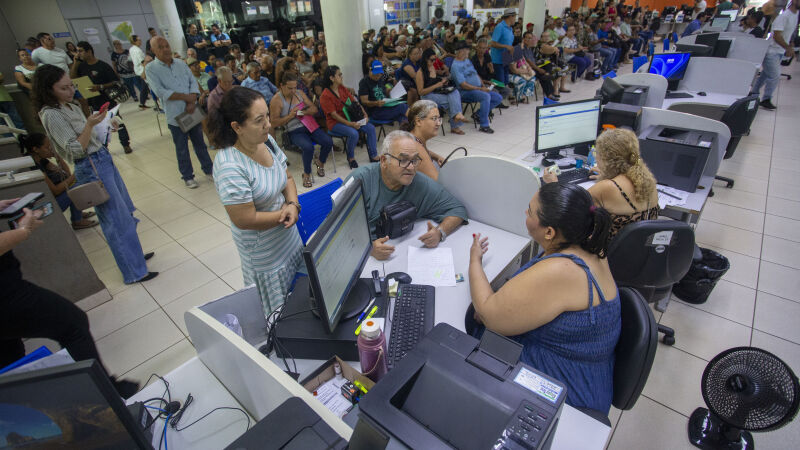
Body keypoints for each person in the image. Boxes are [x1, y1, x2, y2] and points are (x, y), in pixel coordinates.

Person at [467, 182, 620, 414]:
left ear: (549, 232)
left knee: (468, 330)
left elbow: (488, 316)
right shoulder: (590, 246)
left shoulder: (563, 270)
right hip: (585, 367)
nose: (525, 214)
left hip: (568, 388)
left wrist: (475, 260)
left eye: (530, 211)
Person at [0, 198, 140, 398]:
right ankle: (107, 393)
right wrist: (24, 230)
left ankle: (21, 404)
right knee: (73, 324)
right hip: (6, 295)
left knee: (9, 356)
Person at [35, 64, 157, 284]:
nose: (71, 91)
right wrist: (90, 125)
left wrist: (104, 126)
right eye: (64, 88)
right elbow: (74, 149)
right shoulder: (51, 114)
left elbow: (88, 138)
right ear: (48, 89)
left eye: (71, 86)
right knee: (114, 219)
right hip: (90, 165)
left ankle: (135, 256)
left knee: (125, 211)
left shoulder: (69, 106)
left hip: (102, 158)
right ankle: (133, 271)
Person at [207, 87, 303, 316]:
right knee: (278, 317)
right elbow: (244, 218)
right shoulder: (230, 165)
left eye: (267, 117)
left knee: (300, 302)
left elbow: (287, 176)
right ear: (237, 127)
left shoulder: (267, 141)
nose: (268, 125)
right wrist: (285, 215)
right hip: (266, 257)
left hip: (289, 240)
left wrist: (292, 204)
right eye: (259, 120)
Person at [346, 130, 467, 260]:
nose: (411, 167)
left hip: (399, 253)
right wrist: (368, 249)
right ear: (383, 161)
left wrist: (440, 232)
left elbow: (457, 210)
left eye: (415, 160)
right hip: (360, 258)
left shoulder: (419, 183)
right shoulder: (360, 181)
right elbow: (342, 231)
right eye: (403, 160)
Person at [543, 129, 659, 238]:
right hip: (636, 251)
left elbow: (567, 211)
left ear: (606, 159)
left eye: (596, 153)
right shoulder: (648, 180)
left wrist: (553, 185)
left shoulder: (607, 187)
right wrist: (607, 175)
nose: (596, 157)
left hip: (606, 253)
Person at [145, 37, 214, 189]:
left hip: (191, 110)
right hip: (175, 114)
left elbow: (192, 82)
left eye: (167, 46)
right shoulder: (151, 69)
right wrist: (186, 98)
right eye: (161, 47)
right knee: (182, 147)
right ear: (154, 51)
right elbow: (161, 92)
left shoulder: (181, 64)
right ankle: (188, 176)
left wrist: (192, 100)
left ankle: (209, 168)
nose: (166, 49)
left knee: (200, 143)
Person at [19, 133, 98, 229]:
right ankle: (77, 220)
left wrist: (57, 156)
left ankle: (78, 214)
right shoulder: (33, 166)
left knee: (74, 184)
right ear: (36, 149)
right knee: (76, 187)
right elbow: (55, 191)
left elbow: (65, 174)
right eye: (47, 147)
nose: (50, 149)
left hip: (51, 199)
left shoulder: (41, 159)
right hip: (45, 206)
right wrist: (76, 174)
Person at [270, 72, 332, 188]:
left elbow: (314, 108)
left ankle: (320, 162)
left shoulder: (299, 93)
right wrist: (290, 116)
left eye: (295, 87)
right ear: (281, 86)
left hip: (309, 125)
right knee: (308, 147)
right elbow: (273, 123)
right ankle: (306, 174)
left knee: (328, 141)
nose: (293, 91)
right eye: (290, 88)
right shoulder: (276, 100)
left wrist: (304, 112)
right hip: (293, 130)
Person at [72, 41, 134, 154]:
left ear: (89, 51)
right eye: (77, 51)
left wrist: (100, 87)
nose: (78, 54)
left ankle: (125, 144)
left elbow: (115, 81)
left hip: (107, 100)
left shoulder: (102, 65)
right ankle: (103, 147)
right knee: (99, 127)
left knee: (117, 121)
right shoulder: (81, 67)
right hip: (92, 101)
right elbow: (73, 78)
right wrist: (75, 63)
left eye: (80, 51)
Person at [320, 65, 379, 168]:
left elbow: (355, 102)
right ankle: (351, 157)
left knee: (370, 128)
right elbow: (334, 115)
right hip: (335, 123)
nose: (342, 76)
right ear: (331, 78)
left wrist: (365, 114)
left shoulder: (342, 88)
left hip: (350, 118)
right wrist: (350, 124)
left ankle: (373, 155)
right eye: (339, 75)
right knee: (354, 133)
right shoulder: (325, 95)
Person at [751, 0, 798, 111]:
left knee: (765, 75)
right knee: (775, 75)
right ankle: (766, 99)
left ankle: (753, 93)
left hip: (780, 51)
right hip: (771, 51)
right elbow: (776, 36)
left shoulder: (795, 15)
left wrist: (790, 43)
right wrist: (788, 47)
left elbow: (788, 32)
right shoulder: (783, 16)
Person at [451, 40, 502, 134]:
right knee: (485, 96)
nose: (469, 52)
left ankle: (478, 114)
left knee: (498, 98)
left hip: (478, 88)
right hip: (465, 92)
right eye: (467, 50)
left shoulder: (467, 60)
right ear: (461, 51)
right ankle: (484, 125)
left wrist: (483, 85)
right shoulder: (455, 66)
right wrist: (480, 89)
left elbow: (475, 74)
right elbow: (463, 85)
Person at [416, 49, 467, 135]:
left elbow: (434, 81)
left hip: (437, 92)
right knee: (453, 100)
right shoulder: (420, 73)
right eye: (432, 60)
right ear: (425, 59)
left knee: (455, 92)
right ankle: (456, 121)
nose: (434, 62)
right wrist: (436, 85)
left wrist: (442, 82)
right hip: (427, 96)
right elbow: (421, 92)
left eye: (435, 59)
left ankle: (456, 116)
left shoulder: (432, 67)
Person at [400, 100, 448, 180]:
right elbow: (438, 184)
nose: (438, 123)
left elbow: (424, 151)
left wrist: (437, 157)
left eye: (439, 119)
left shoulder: (413, 139)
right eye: (434, 118)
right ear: (418, 121)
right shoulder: (415, 149)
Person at [358, 60, 410, 124]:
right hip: (375, 111)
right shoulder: (364, 82)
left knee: (402, 117)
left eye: (380, 74)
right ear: (370, 70)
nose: (378, 76)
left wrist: (391, 91)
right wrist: (376, 103)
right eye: (376, 74)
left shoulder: (380, 79)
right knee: (402, 107)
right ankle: (418, 124)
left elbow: (384, 91)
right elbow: (364, 101)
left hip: (385, 107)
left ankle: (406, 132)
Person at [109, 40, 145, 110]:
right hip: (123, 73)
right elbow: (114, 64)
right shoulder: (114, 54)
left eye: (119, 44)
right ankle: (134, 96)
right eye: (117, 44)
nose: (119, 45)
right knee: (129, 85)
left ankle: (143, 94)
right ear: (115, 45)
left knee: (138, 83)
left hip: (131, 71)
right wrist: (116, 73)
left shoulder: (126, 51)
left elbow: (131, 59)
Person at [490, 8, 517, 84]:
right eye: (515, 17)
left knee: (506, 82)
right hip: (497, 61)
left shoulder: (510, 28)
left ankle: (505, 96)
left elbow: (509, 44)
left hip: (506, 59)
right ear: (510, 17)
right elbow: (493, 43)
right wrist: (506, 46)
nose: (515, 19)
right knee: (500, 83)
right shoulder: (500, 27)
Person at [128, 35, 153, 110]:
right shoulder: (137, 50)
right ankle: (143, 104)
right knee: (149, 87)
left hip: (139, 70)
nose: (140, 41)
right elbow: (143, 62)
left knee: (144, 87)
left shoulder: (132, 49)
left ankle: (142, 103)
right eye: (139, 40)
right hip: (142, 70)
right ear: (134, 41)